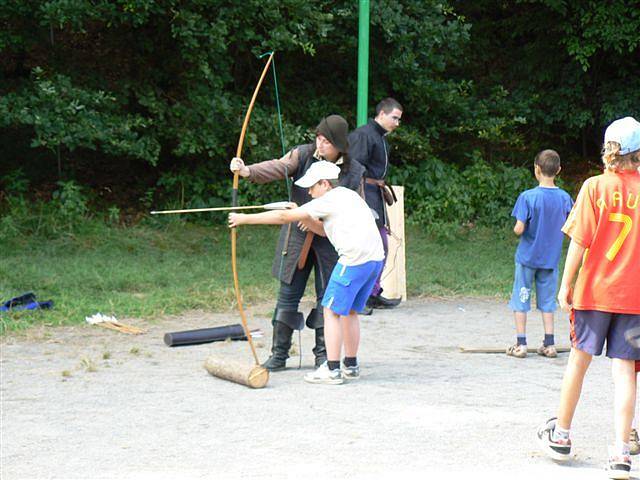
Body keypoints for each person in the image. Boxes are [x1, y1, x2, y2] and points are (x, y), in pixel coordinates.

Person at [537, 117, 640, 480]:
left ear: (609, 150)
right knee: (625, 371)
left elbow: (580, 241)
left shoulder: (594, 186)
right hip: (634, 297)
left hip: (595, 291)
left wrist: (565, 284)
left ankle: (561, 435)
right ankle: (621, 454)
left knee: (579, 362)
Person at [229, 115, 365, 372]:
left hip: (331, 240)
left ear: (338, 144)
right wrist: (247, 171)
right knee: (288, 295)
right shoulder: (303, 155)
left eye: (326, 141)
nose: (320, 144)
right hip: (297, 236)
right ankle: (279, 355)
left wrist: (322, 223)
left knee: (328, 299)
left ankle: (324, 356)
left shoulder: (354, 170)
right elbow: (277, 166)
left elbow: (356, 208)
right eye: (318, 138)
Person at [506, 150, 573, 358]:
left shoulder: (527, 197)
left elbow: (519, 228)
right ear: (558, 170)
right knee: (547, 302)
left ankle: (522, 343)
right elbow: (571, 225)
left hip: (527, 258)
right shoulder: (564, 198)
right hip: (550, 259)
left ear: (536, 169)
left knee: (521, 298)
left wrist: (520, 229)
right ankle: (549, 343)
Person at [348, 97, 403, 311]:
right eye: (394, 118)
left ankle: (371, 293)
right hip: (364, 197)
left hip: (375, 195)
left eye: (399, 119)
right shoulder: (363, 135)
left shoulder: (379, 137)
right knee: (367, 247)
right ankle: (358, 298)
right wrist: (358, 202)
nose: (397, 123)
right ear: (381, 114)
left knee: (380, 246)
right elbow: (353, 169)